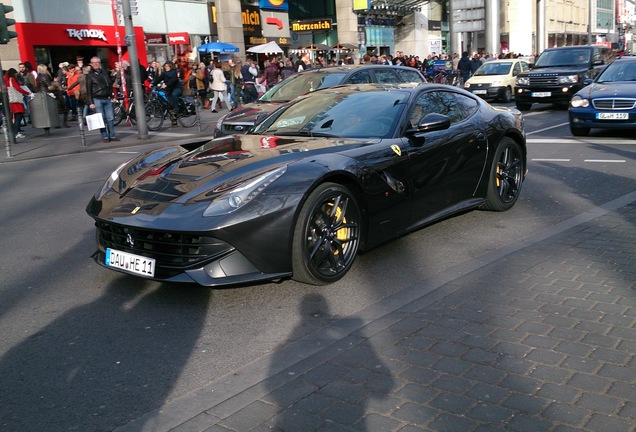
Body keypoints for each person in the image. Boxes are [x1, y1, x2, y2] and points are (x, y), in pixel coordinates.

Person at [86, 56, 119, 143]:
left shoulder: (104, 72)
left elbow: (109, 83)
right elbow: (88, 89)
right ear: (91, 64)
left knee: (110, 118)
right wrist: (90, 102)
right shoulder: (89, 75)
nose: (96, 64)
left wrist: (113, 77)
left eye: (98, 62)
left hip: (107, 98)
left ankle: (112, 135)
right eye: (94, 63)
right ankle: (105, 136)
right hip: (97, 99)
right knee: (101, 119)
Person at [5, 68, 33, 139]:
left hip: (12, 100)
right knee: (19, 116)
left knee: (17, 116)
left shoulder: (7, 80)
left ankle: (16, 130)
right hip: (16, 100)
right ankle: (16, 131)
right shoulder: (12, 79)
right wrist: (27, 93)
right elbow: (18, 88)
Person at [152, 60, 182, 126]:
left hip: (176, 88)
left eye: (167, 66)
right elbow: (159, 79)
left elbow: (173, 80)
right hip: (169, 90)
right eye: (165, 66)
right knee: (169, 104)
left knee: (174, 94)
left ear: (171, 67)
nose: (166, 67)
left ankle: (176, 109)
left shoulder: (174, 72)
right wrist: (153, 84)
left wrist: (167, 85)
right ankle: (174, 120)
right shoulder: (164, 73)